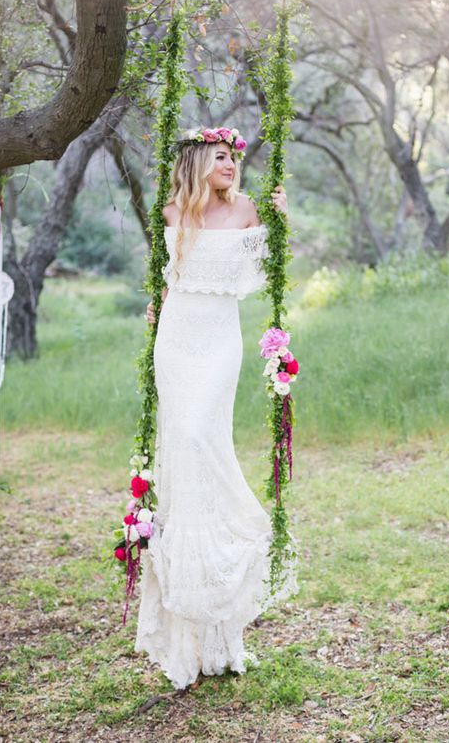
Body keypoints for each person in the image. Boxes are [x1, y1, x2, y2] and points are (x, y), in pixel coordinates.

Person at [134, 127, 298, 691]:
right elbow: (165, 280)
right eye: (223, 157)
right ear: (200, 159)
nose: (232, 165)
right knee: (182, 451)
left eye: (236, 158)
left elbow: (264, 271)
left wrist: (281, 219)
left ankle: (235, 553)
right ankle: (190, 624)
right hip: (177, 340)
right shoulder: (172, 210)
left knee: (205, 439)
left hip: (219, 341)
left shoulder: (248, 208)